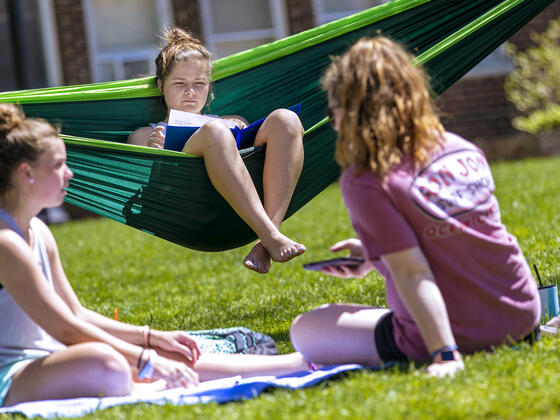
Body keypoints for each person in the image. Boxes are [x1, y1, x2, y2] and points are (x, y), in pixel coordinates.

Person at [0, 103, 314, 407]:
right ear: (26, 173)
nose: (69, 174)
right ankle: (149, 377)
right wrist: (146, 358)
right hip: (12, 374)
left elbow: (77, 314)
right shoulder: (6, 243)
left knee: (169, 355)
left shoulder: (39, 233)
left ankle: (299, 363)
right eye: (58, 165)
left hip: (52, 360)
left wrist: (153, 339)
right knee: (108, 363)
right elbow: (65, 328)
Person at [289, 36, 541, 377]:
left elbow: (413, 272)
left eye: (333, 112)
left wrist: (445, 354)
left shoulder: (367, 179)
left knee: (306, 328)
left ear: (354, 112)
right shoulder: (460, 148)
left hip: (459, 335)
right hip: (522, 315)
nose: (333, 125)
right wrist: (373, 255)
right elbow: (460, 238)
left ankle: (440, 345)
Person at [128, 27, 305, 274]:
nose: (190, 91)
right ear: (161, 85)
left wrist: (234, 128)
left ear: (209, 88)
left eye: (199, 83)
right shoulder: (144, 136)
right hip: (191, 208)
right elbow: (139, 189)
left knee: (286, 120)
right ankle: (270, 235)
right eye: (179, 83)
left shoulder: (232, 121)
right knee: (215, 131)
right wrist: (154, 155)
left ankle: (267, 238)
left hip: (238, 193)